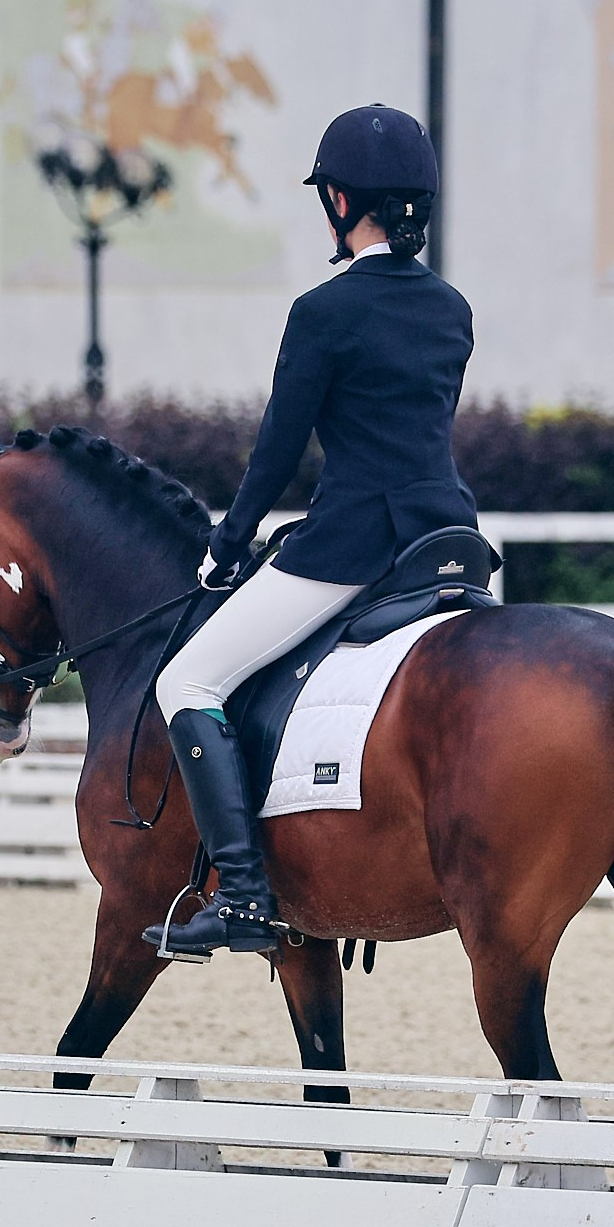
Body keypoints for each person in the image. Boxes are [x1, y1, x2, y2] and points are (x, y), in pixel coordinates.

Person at [143, 104, 477, 958]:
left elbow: (277, 453)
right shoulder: (452, 309)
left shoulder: (323, 312)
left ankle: (246, 897)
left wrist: (229, 540)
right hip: (446, 542)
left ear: (338, 199)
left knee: (187, 681)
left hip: (354, 547)